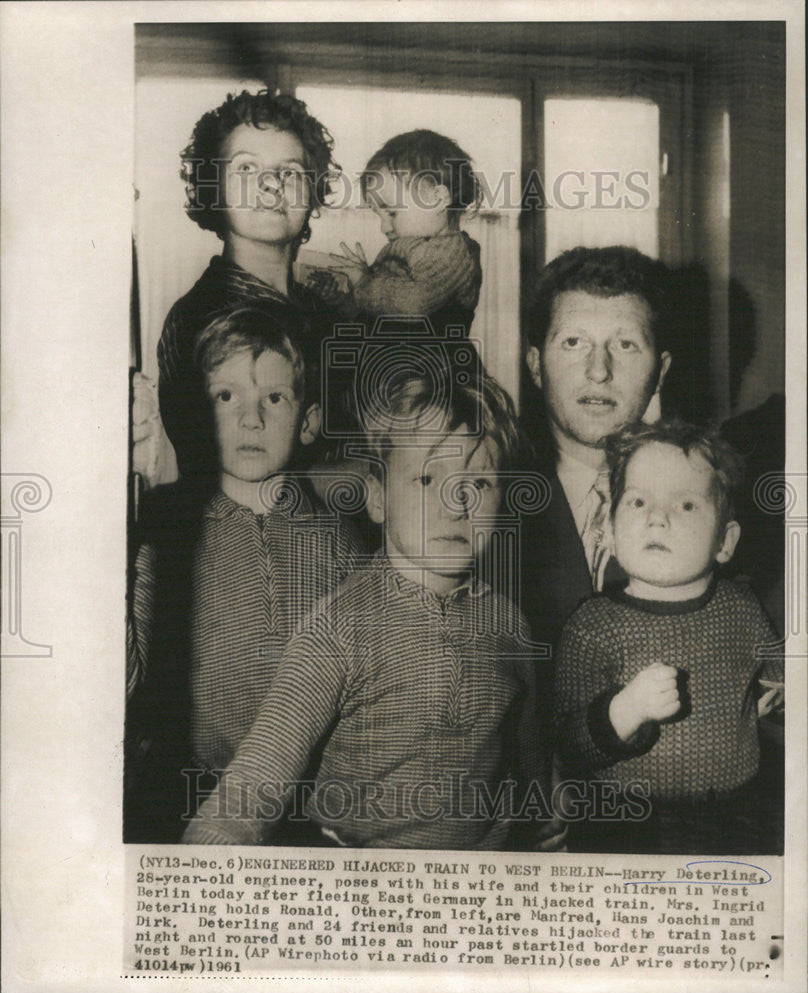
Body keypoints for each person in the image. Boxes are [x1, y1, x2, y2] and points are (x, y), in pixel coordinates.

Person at [181, 362, 559, 849]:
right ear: (378, 498)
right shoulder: (338, 628)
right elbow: (254, 782)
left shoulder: (510, 624)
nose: (455, 503)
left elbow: (529, 755)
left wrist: (545, 812)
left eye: (479, 483)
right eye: (426, 479)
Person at [125, 306, 363, 842]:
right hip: (199, 798)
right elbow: (126, 676)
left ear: (308, 422)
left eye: (273, 398)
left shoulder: (338, 534)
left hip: (317, 812)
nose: (250, 419)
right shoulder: (168, 529)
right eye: (225, 396)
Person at [553, 420, 784, 854]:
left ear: (725, 541)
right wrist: (625, 710)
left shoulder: (742, 606)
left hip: (737, 819)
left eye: (686, 506)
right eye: (638, 501)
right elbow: (568, 745)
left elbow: (780, 677)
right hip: (627, 826)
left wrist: (779, 695)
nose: (657, 518)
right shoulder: (592, 625)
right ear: (611, 528)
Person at [157, 90, 339, 484]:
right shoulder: (199, 316)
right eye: (246, 169)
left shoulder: (321, 312)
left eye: (290, 172)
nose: (271, 185)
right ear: (213, 188)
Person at [520, 245, 673, 655]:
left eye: (625, 345)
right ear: (535, 366)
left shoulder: (702, 494)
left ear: (661, 371)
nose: (599, 371)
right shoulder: (488, 500)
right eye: (574, 343)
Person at [308, 129, 483, 336]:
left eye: (392, 213)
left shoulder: (452, 253)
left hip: (430, 363)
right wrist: (344, 300)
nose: (384, 227)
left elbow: (412, 304)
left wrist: (363, 282)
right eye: (379, 215)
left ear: (437, 199)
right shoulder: (410, 245)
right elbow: (378, 313)